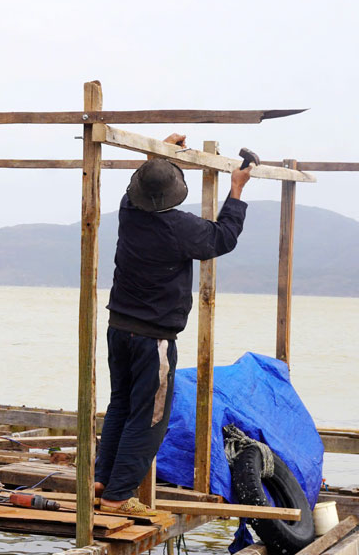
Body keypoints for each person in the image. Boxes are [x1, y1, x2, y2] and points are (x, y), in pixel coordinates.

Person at [94, 132, 252, 516]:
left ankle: (102, 480)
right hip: (153, 339)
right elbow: (223, 237)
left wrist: (160, 156)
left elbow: (143, 186)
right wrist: (236, 189)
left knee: (121, 404)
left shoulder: (128, 212)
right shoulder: (181, 228)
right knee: (149, 418)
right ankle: (116, 498)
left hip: (119, 328)